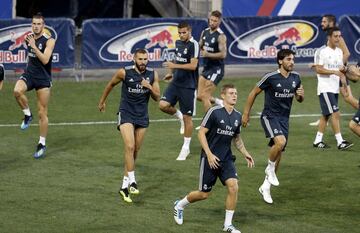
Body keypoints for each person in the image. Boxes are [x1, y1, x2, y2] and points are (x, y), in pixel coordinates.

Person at [173, 84, 254, 233]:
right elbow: (201, 133)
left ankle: (227, 225)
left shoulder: (237, 116)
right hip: (209, 158)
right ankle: (180, 205)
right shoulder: (214, 112)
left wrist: (245, 153)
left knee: (233, 186)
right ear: (223, 96)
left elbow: (236, 138)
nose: (234, 96)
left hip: (227, 159)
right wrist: (209, 154)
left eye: (235, 93)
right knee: (204, 194)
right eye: (231, 93)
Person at [98, 48, 160, 203]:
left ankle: (124, 186)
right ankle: (133, 181)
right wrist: (102, 101)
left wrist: (149, 87)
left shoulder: (153, 74)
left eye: (145, 59)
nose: (143, 62)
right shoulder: (124, 72)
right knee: (130, 147)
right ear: (134, 59)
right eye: (140, 59)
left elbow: (157, 97)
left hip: (142, 116)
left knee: (134, 152)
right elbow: (110, 84)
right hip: (126, 113)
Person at [242, 49, 304, 204]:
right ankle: (269, 168)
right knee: (280, 143)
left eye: (293, 59)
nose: (292, 62)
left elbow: (299, 99)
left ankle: (266, 187)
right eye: (289, 59)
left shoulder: (296, 77)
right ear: (280, 61)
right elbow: (253, 93)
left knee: (279, 152)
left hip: (284, 119)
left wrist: (300, 96)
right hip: (269, 116)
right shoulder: (270, 77)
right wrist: (246, 114)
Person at [13, 13, 56, 159]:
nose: (36, 26)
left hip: (43, 79)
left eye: (39, 24)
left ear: (43, 26)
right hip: (30, 75)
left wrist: (33, 46)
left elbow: (45, 60)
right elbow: (29, 56)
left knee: (42, 112)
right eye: (34, 24)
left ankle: (41, 143)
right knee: (17, 91)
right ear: (31, 25)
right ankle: (27, 114)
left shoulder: (50, 41)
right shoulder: (28, 38)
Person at [159, 21, 199, 161]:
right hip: (176, 82)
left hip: (188, 86)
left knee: (189, 118)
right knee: (163, 105)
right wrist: (171, 72)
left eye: (184, 33)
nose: (181, 35)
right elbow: (177, 59)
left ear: (189, 31)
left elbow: (193, 66)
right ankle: (178, 115)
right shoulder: (178, 43)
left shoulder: (194, 45)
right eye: (180, 33)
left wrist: (174, 65)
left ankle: (185, 148)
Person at [309, 14, 358, 126]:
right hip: (336, 73)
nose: (322, 23)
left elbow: (347, 53)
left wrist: (338, 68)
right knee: (336, 96)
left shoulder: (337, 36)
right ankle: (325, 117)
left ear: (331, 23)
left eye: (324, 21)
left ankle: (325, 118)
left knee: (348, 98)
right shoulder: (329, 35)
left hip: (339, 73)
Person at [311, 27, 353, 150]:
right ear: (329, 37)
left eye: (339, 36)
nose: (338, 38)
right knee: (335, 112)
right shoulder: (321, 51)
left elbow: (340, 70)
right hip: (325, 88)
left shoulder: (339, 52)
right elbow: (318, 69)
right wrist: (334, 72)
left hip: (334, 88)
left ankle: (318, 140)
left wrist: (344, 84)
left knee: (326, 115)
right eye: (335, 36)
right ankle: (340, 142)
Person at [197, 10, 227, 112]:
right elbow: (199, 46)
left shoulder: (221, 36)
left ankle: (209, 123)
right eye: (211, 20)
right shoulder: (204, 32)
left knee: (205, 96)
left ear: (219, 22)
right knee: (199, 96)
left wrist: (207, 54)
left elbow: (223, 54)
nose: (212, 22)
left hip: (216, 69)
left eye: (215, 21)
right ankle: (220, 102)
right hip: (206, 68)